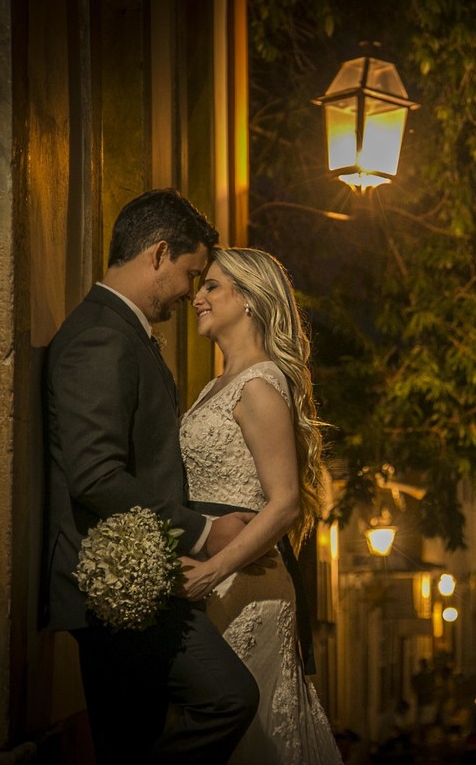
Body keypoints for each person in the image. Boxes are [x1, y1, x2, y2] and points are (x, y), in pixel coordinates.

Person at [44, 188, 260, 764]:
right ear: (159, 254)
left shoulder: (120, 331)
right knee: (228, 697)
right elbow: (94, 475)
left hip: (133, 581)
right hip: (117, 585)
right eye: (192, 273)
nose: (192, 292)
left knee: (130, 744)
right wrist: (205, 532)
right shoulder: (101, 336)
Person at [177, 246, 343, 764]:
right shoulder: (216, 385)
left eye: (212, 287)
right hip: (215, 581)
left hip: (248, 589)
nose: (197, 298)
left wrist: (210, 573)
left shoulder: (259, 385)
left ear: (249, 300)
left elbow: (286, 503)